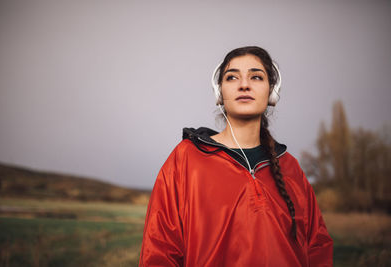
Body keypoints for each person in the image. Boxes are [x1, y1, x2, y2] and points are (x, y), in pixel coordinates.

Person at [139, 46, 333, 266]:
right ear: (219, 93)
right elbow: (159, 250)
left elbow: (318, 248)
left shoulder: (290, 168)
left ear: (272, 92)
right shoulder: (185, 159)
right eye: (232, 77)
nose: (244, 84)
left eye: (256, 77)